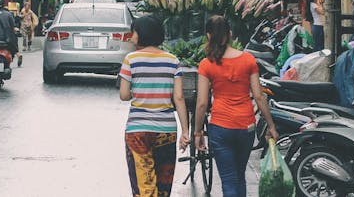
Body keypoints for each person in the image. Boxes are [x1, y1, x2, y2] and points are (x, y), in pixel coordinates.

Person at [195, 15, 278, 197]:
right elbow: (259, 96)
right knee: (240, 177)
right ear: (230, 34)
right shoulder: (248, 60)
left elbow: (202, 104)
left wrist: (198, 132)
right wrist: (271, 126)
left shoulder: (206, 64)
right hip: (245, 127)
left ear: (209, 36)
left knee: (229, 180)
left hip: (220, 127)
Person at [118, 16, 189, 197]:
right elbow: (179, 98)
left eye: (133, 32)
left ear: (141, 34)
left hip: (138, 132)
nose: (131, 36)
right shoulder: (172, 60)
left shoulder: (131, 60)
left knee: (144, 189)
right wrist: (185, 132)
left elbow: (124, 95)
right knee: (163, 186)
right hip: (167, 130)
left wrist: (141, 91)